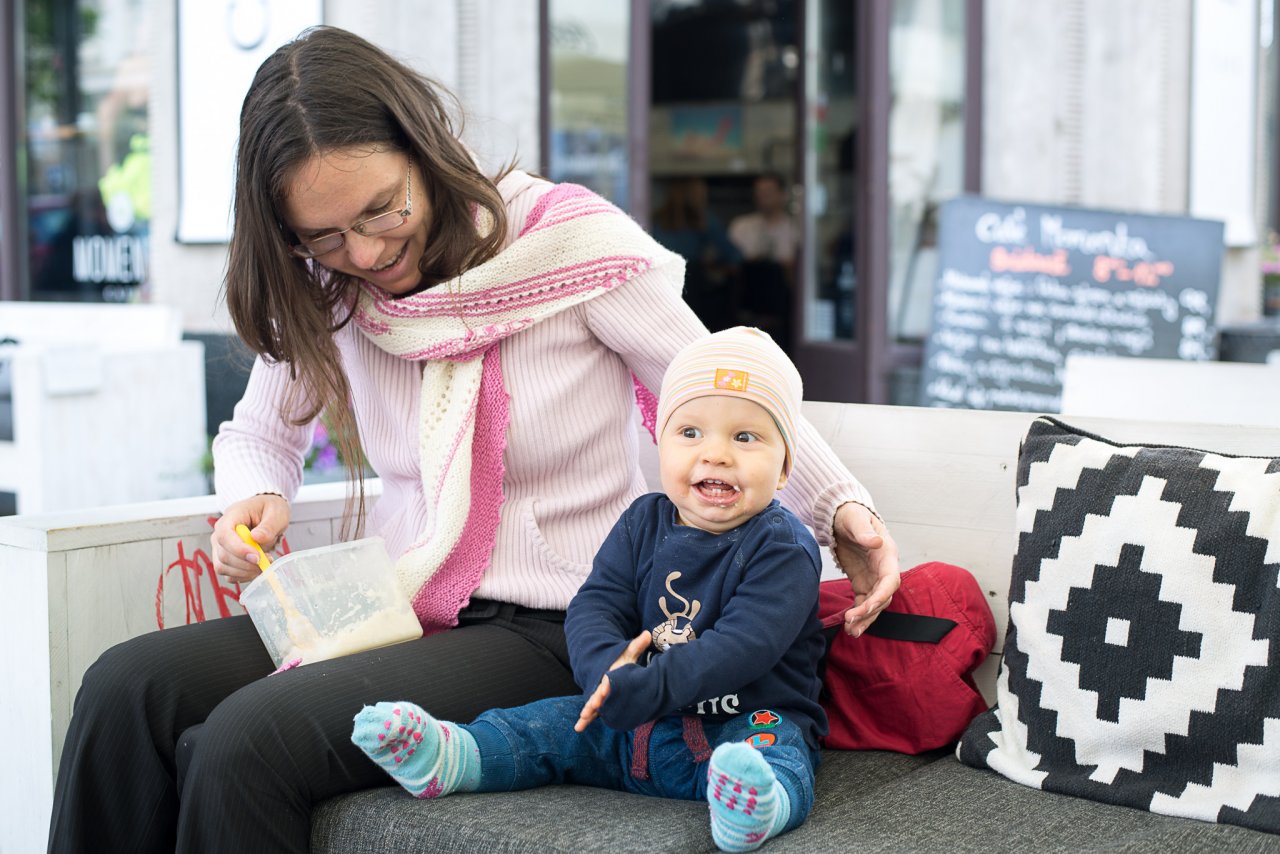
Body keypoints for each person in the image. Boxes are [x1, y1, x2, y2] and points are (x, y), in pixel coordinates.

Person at [47, 26, 899, 854]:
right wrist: (254, 499)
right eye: (325, 235)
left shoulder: (566, 246)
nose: (364, 252)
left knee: (245, 742)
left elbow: (721, 385)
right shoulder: (324, 283)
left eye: (382, 209)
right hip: (396, 602)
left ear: (423, 147)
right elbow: (260, 434)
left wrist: (841, 510)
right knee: (127, 686)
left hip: (556, 625)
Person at [352, 327, 823, 852]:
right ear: (660, 444)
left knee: (774, 748)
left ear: (784, 467)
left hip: (740, 722)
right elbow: (596, 604)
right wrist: (605, 674)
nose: (715, 454)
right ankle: (453, 756)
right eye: (690, 432)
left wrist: (645, 687)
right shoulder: (643, 520)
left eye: (745, 437)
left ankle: (754, 806)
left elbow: (741, 647)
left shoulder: (784, 548)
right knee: (548, 724)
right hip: (637, 723)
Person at [728, 173, 798, 268]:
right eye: (759, 191)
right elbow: (729, 263)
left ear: (783, 194)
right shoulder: (741, 225)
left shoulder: (795, 228)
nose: (763, 196)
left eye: (768, 191)